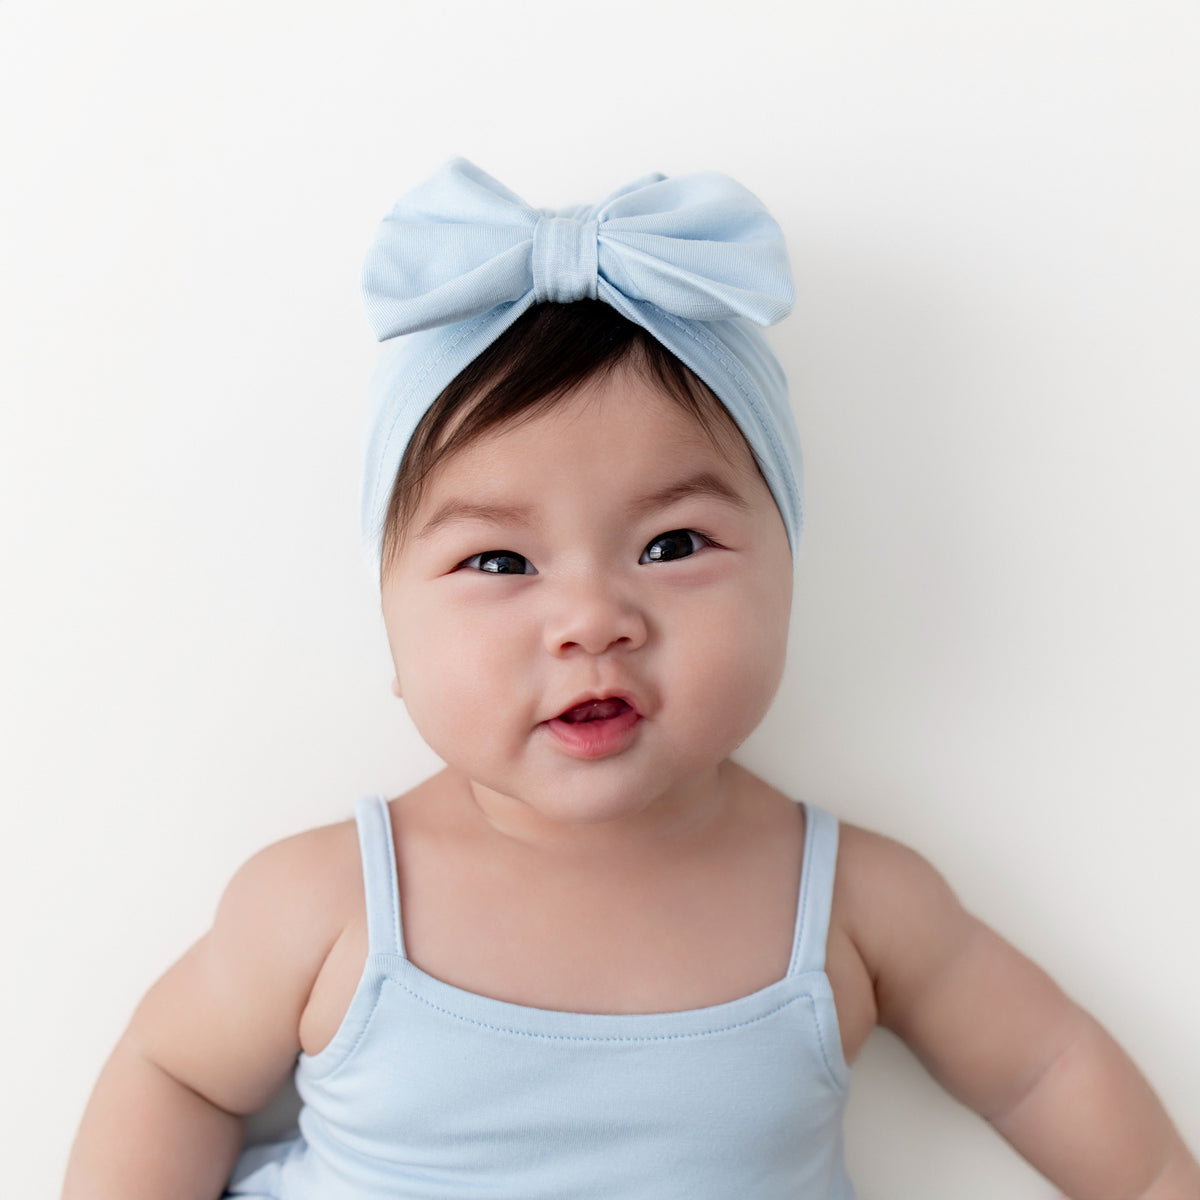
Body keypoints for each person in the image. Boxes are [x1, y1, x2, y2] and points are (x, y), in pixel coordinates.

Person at [62, 159, 1198, 1200]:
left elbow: (1045, 1067)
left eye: (671, 545)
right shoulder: (329, 902)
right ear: (391, 622)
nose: (593, 621)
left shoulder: (853, 903)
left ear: (790, 569)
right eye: (498, 562)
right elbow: (175, 1074)